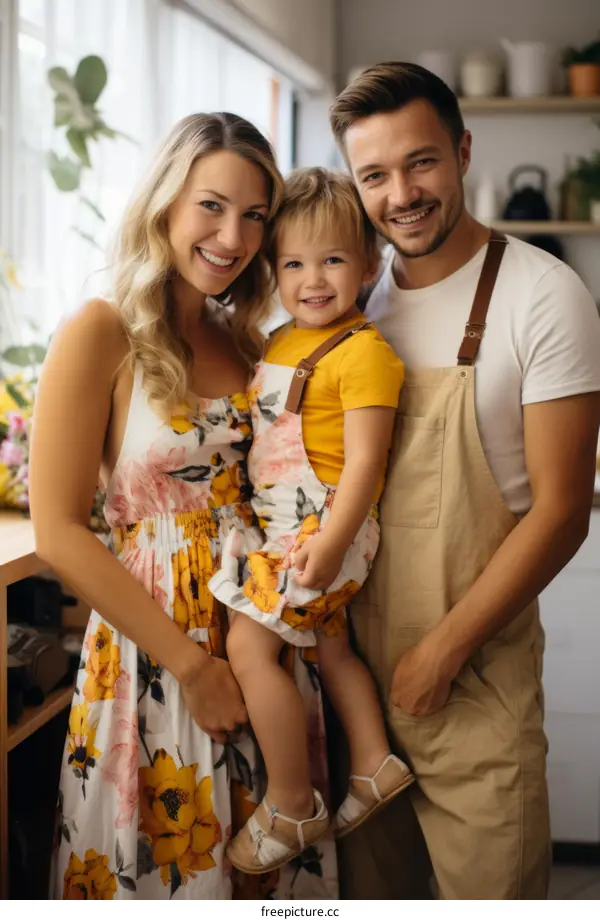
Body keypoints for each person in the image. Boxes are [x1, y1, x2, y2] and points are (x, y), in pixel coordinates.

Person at [29, 113, 338, 900]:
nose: (232, 236)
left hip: (261, 642)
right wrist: (193, 665)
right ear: (165, 201)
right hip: (155, 652)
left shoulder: (251, 343)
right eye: (212, 205)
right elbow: (59, 530)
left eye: (255, 215)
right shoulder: (101, 330)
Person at [326, 62, 600, 900]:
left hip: (473, 693)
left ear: (464, 151)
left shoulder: (544, 296)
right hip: (357, 706)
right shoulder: (349, 301)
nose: (400, 194)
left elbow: (560, 514)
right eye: (373, 174)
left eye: (421, 163)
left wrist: (442, 652)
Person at [209, 167, 414, 875]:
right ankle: (372, 765)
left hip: (325, 528)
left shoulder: (365, 354)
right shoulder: (277, 341)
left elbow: (363, 466)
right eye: (293, 262)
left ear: (369, 264)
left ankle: (293, 802)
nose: (313, 279)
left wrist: (328, 545)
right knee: (331, 650)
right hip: (287, 524)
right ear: (273, 269)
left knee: (248, 646)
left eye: (332, 259)